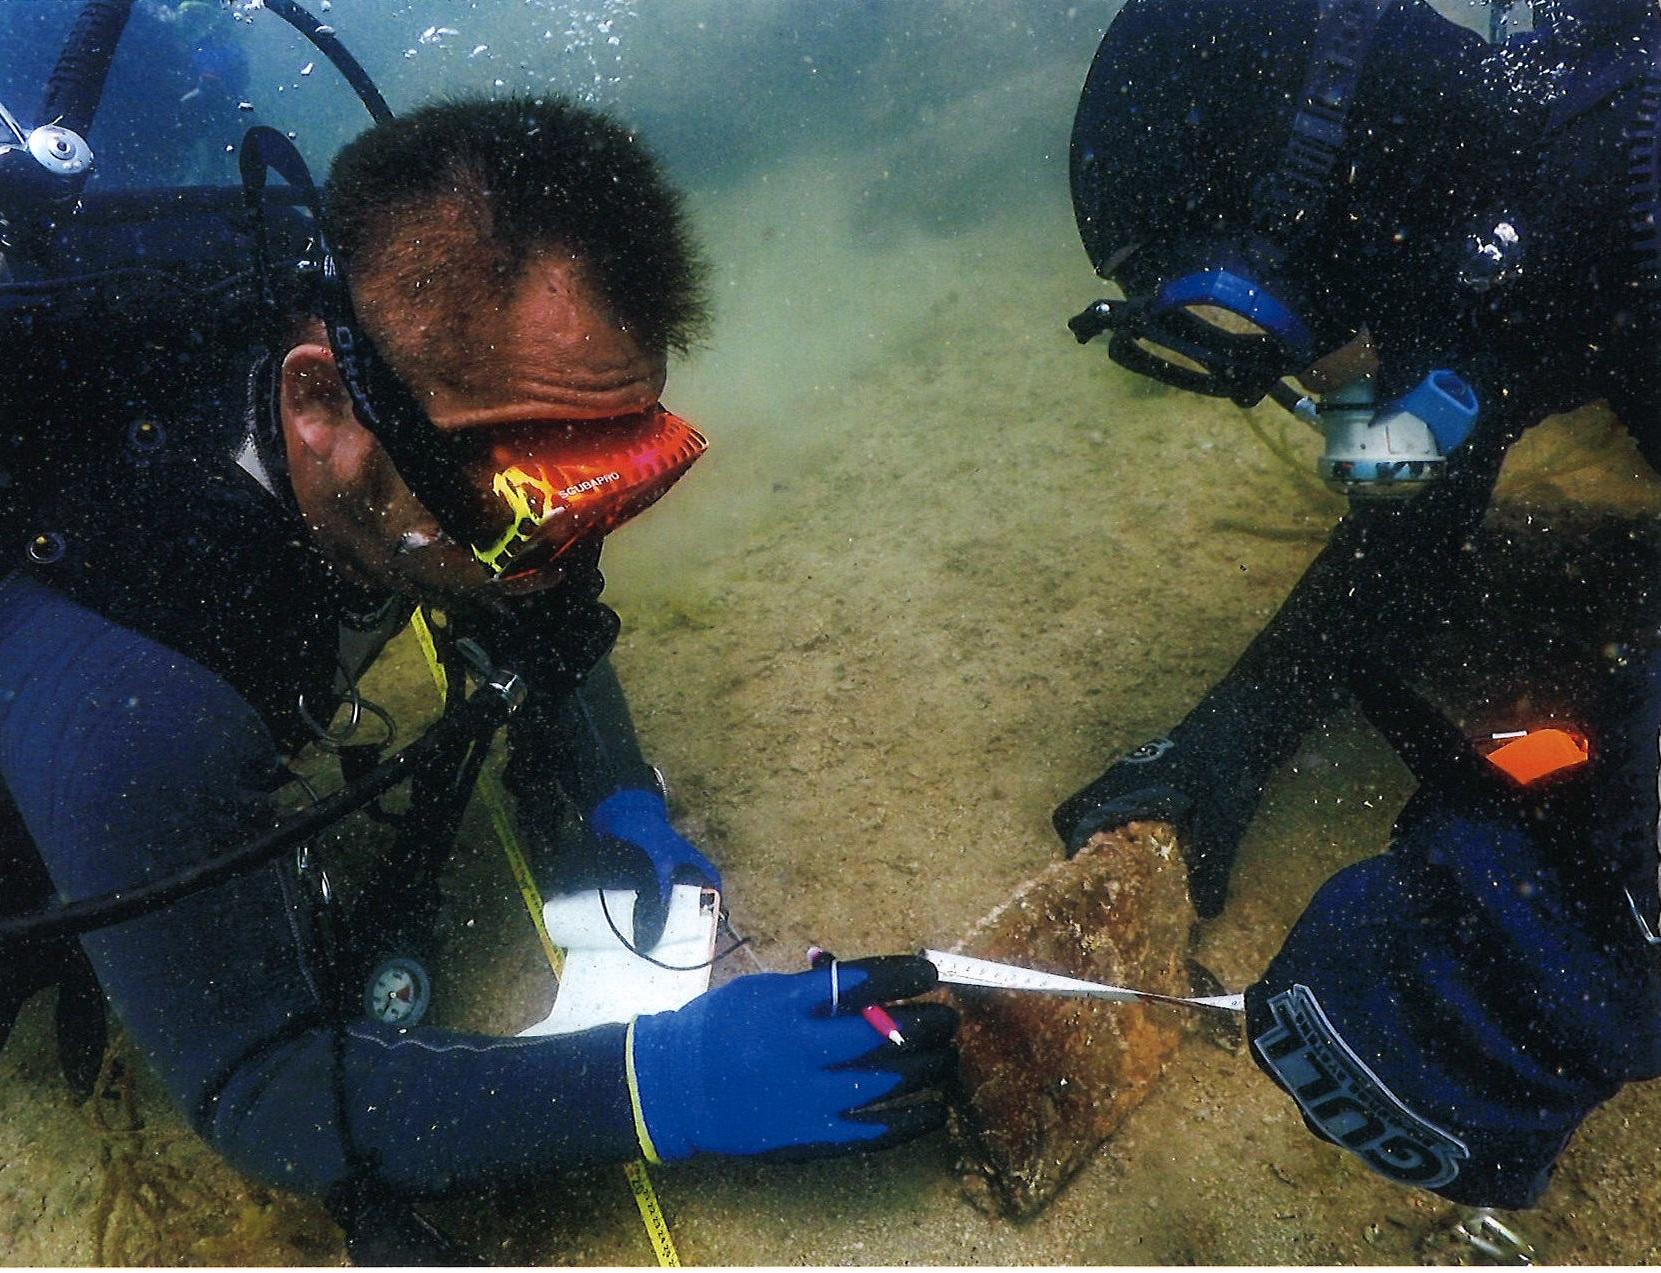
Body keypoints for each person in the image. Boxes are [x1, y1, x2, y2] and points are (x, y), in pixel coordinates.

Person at [0, 9, 956, 1264]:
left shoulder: (393, 356)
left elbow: (527, 578)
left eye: (613, 483)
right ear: (318, 405)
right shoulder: (135, 713)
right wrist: (655, 1088)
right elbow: (266, 1097)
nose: (559, 551)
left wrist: (614, 787)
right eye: (526, 494)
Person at [1054, 0, 1661, 1210]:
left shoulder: (1625, 193)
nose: (1278, 376)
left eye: (1229, 324)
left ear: (1309, 210)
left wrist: (1565, 929)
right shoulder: (1488, 222)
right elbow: (1412, 533)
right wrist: (1221, 748)